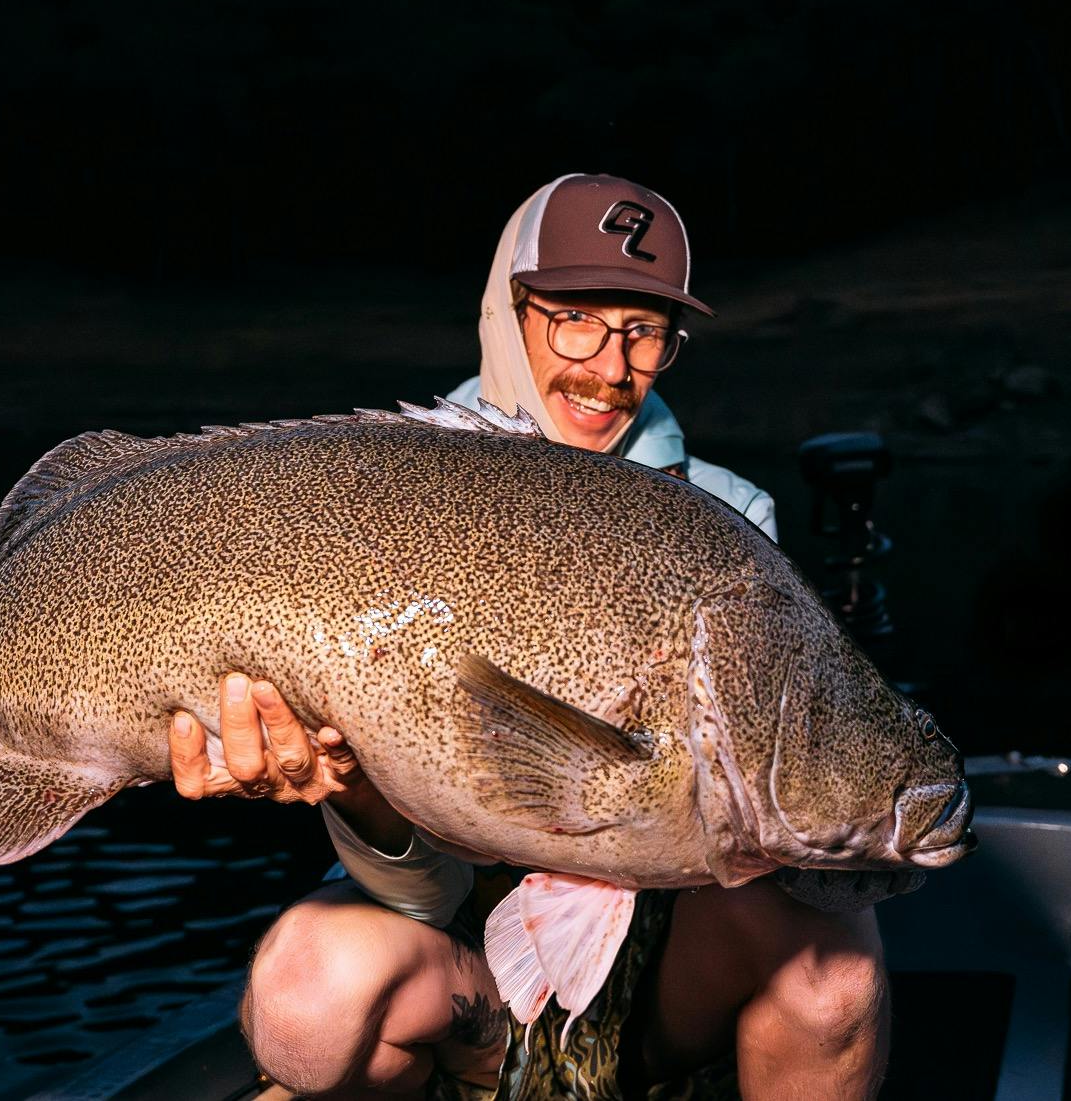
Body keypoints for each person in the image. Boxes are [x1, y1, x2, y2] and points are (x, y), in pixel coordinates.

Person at [169, 175, 895, 1100]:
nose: (610, 366)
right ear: (508, 312)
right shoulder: (388, 497)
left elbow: (749, 827)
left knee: (838, 970)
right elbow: (420, 895)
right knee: (302, 1004)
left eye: (645, 331)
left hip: (660, 969)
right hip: (457, 966)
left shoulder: (726, 517)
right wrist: (354, 794)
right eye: (577, 318)